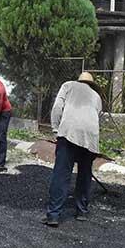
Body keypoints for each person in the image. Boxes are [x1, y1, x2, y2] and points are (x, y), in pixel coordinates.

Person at [42, 72, 102, 227]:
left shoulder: (68, 85)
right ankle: (81, 211)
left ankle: (54, 215)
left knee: (62, 174)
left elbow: (57, 108)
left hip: (69, 132)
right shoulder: (96, 96)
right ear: (92, 84)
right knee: (84, 174)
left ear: (79, 81)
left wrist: (56, 130)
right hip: (91, 137)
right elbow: (97, 117)